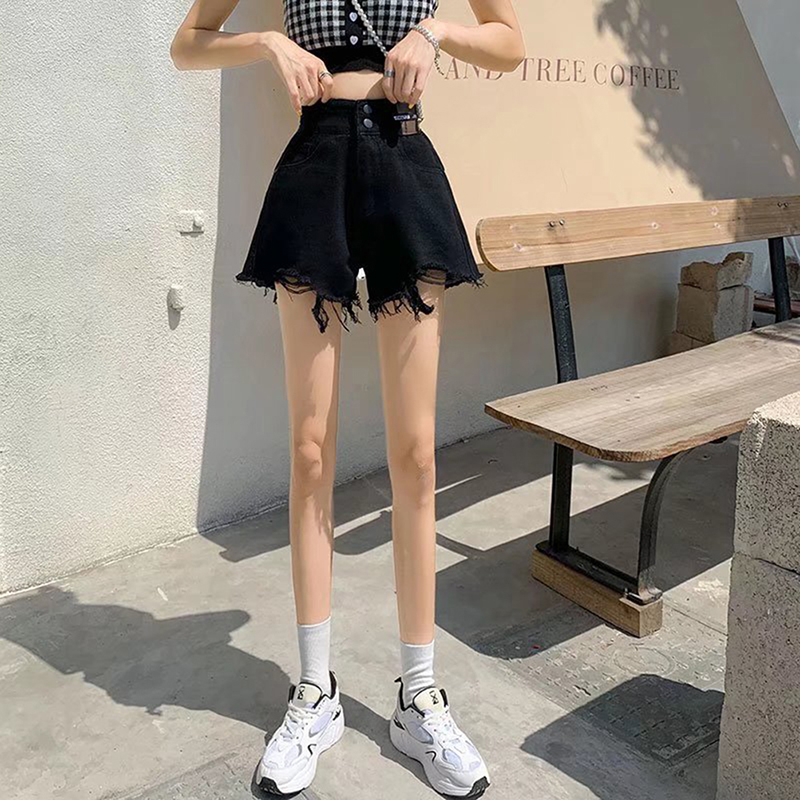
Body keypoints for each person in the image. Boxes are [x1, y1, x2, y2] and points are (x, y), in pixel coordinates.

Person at [170, 2, 524, 796]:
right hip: (316, 163)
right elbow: (188, 44)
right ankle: (315, 691)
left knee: (416, 452)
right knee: (309, 447)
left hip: (403, 158)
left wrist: (435, 34)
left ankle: (419, 697)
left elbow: (509, 42)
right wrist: (269, 43)